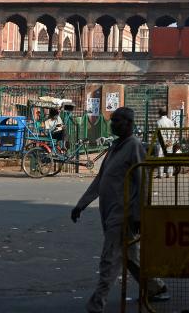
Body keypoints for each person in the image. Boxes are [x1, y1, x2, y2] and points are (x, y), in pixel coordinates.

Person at [71, 107, 169, 312]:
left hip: (123, 213)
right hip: (109, 211)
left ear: (129, 124)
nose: (113, 124)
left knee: (110, 257)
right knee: (129, 255)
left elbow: (143, 182)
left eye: (117, 121)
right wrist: (82, 203)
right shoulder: (116, 146)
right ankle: (155, 287)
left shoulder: (134, 146)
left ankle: (97, 303)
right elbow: (101, 179)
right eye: (112, 121)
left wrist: (139, 214)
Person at [155, 108, 175, 178]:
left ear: (160, 114)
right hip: (169, 142)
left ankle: (160, 174)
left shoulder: (158, 122)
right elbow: (173, 132)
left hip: (161, 142)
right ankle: (169, 174)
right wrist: (171, 140)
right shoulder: (171, 122)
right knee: (169, 157)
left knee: (160, 158)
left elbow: (157, 133)